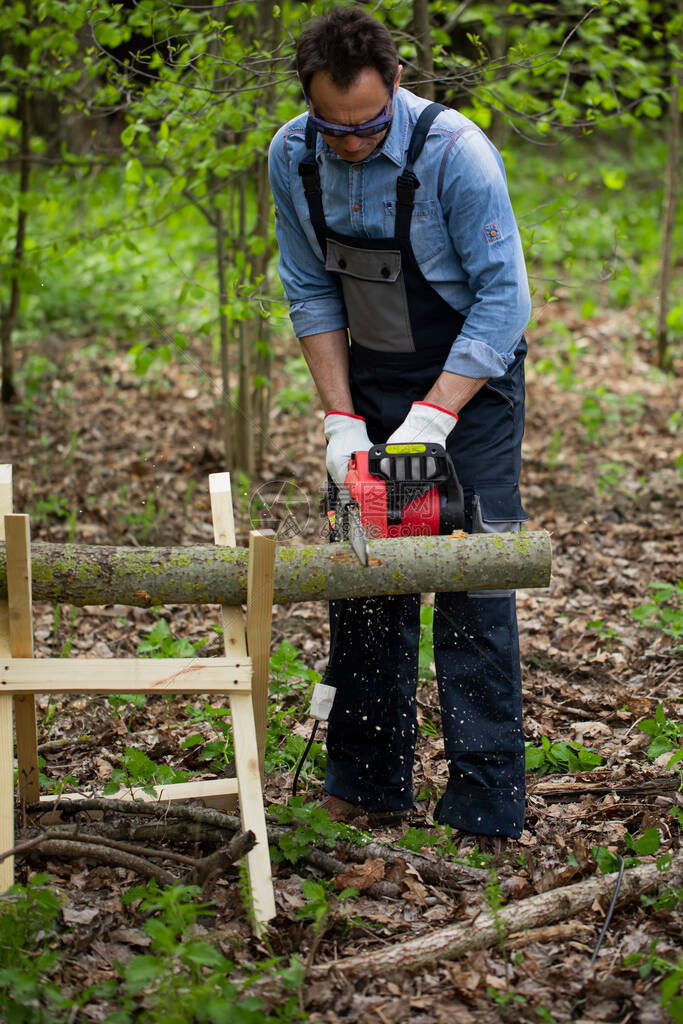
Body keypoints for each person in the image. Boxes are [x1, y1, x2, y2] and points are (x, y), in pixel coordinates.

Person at [268, 7, 531, 846]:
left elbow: (504, 298)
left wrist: (434, 416)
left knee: (468, 576)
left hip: (470, 384)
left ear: (397, 88)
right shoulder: (291, 156)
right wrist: (342, 420)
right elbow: (310, 292)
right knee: (369, 575)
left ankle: (486, 804)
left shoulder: (457, 154)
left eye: (368, 127)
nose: (351, 143)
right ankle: (369, 785)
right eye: (333, 127)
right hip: (372, 384)